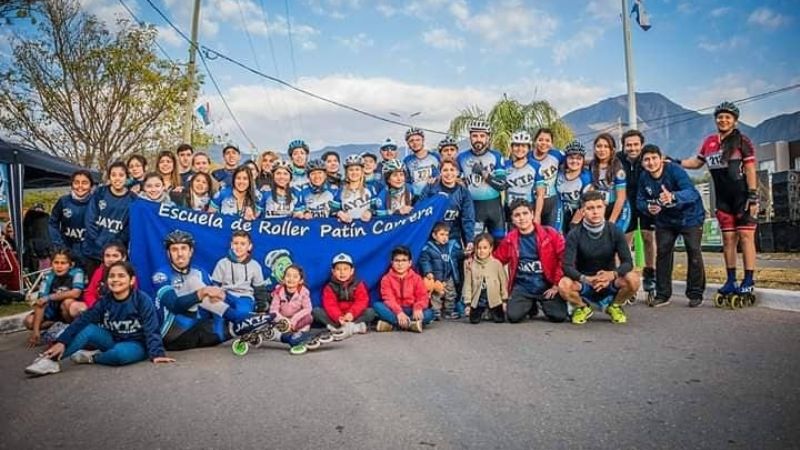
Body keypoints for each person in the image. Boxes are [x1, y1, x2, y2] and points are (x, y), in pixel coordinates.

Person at [24, 261, 174, 377]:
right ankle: (51, 361)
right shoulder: (105, 301)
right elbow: (83, 321)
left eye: (121, 276)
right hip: (112, 339)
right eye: (112, 276)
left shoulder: (142, 300)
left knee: (119, 355)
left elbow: (152, 329)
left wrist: (157, 354)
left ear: (132, 280)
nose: (116, 280)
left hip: (136, 344)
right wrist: (62, 341)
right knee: (88, 329)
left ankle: (93, 357)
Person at [679, 102, 759, 307]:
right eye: (720, 117)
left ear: (735, 121)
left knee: (746, 237)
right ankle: (731, 280)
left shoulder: (743, 141)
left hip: (743, 198)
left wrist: (753, 196)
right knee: (729, 240)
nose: (723, 120)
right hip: (722, 200)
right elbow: (696, 163)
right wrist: (674, 161)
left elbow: (750, 170)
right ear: (716, 119)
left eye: (728, 117)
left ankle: (748, 280)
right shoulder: (709, 142)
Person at [152, 230, 285, 351]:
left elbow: (218, 294)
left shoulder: (199, 272)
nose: (180, 254)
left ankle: (287, 337)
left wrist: (249, 313)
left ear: (191, 251)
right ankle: (238, 318)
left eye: (183, 248)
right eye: (174, 250)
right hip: (174, 335)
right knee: (194, 282)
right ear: (168, 253)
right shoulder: (161, 275)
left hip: (197, 327)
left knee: (244, 325)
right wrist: (201, 292)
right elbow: (173, 305)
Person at [637, 144, 705, 307]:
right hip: (665, 220)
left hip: (690, 216)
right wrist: (648, 207)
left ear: (661, 158)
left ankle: (695, 293)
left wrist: (673, 197)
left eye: (654, 158)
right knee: (663, 252)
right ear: (642, 163)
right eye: (647, 159)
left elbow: (692, 192)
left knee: (693, 250)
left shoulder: (674, 170)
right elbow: (639, 200)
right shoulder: (644, 177)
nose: (651, 162)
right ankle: (663, 294)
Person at [558, 191, 641, 325]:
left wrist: (612, 275)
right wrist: (587, 279)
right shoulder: (574, 234)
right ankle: (582, 307)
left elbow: (628, 263)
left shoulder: (615, 230)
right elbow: (567, 266)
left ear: (604, 208)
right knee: (563, 284)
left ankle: (615, 306)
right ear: (583, 211)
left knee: (633, 279)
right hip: (584, 282)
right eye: (590, 208)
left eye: (599, 207)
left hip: (609, 281)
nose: (595, 212)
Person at [493, 199, 568, 323]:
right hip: (523, 287)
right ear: (512, 219)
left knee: (558, 316)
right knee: (513, 317)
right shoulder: (510, 239)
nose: (522, 218)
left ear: (532, 214)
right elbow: (496, 260)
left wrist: (556, 284)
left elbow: (564, 258)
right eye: (517, 215)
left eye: (525, 213)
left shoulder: (550, 234)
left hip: (546, 285)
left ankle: (543, 303)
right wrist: (475, 259)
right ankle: (530, 305)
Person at [618, 130, 656, 300]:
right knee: (625, 243)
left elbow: (663, 162)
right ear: (623, 146)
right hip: (627, 205)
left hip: (647, 203)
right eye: (628, 145)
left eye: (635, 145)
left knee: (649, 239)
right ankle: (628, 278)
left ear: (641, 145)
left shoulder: (648, 158)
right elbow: (598, 161)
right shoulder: (617, 159)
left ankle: (650, 276)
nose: (632, 148)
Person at [24, 248, 86, 347]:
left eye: (63, 263)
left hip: (69, 310)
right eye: (56, 262)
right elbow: (41, 302)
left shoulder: (77, 272)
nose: (59, 266)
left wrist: (49, 297)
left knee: (67, 302)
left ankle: (72, 331)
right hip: (53, 311)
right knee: (28, 321)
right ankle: (57, 324)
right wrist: (36, 332)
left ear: (71, 265)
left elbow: (76, 293)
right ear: (51, 264)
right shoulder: (48, 276)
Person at [83, 161, 135, 276]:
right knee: (94, 286)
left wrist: (115, 246)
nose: (117, 178)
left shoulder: (133, 199)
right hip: (93, 251)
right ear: (109, 177)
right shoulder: (100, 192)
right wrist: (98, 243)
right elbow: (90, 219)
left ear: (127, 177)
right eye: (113, 175)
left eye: (121, 175)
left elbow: (129, 228)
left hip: (115, 255)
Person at [456, 119, 506, 239]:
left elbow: (502, 184)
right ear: (470, 137)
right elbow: (456, 183)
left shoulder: (496, 156)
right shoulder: (461, 157)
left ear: (488, 138)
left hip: (495, 208)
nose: (478, 139)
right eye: (475, 136)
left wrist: (484, 173)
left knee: (499, 243)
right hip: (473, 208)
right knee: (475, 245)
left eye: (482, 136)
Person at [313, 253, 374, 339]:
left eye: (345, 269)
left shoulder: (358, 284)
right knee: (316, 312)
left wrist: (351, 314)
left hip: (353, 316)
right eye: (338, 269)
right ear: (333, 271)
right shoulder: (329, 287)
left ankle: (341, 328)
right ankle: (352, 328)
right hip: (337, 318)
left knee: (370, 312)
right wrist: (339, 317)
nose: (342, 272)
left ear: (352, 271)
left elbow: (362, 301)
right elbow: (330, 305)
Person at [374, 245, 433, 332]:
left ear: (410, 263)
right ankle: (412, 325)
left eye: (404, 260)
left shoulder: (416, 278)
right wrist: (399, 312)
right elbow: (388, 299)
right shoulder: (386, 279)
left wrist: (418, 308)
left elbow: (423, 297)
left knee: (430, 313)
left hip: (411, 309)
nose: (400, 264)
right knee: (377, 306)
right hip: (394, 311)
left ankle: (392, 325)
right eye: (397, 260)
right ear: (392, 262)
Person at [420, 160, 476, 251]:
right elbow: (420, 209)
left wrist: (469, 240)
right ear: (440, 172)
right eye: (445, 170)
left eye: (452, 170)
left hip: (453, 237)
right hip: (432, 237)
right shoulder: (430, 188)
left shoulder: (463, 192)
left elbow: (468, 218)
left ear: (457, 172)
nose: (449, 173)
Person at [211, 231, 270, 314]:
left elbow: (259, 288)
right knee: (218, 311)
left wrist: (262, 304)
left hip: (245, 296)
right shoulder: (222, 263)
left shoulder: (255, 265)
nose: (238, 247)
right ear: (231, 245)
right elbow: (215, 284)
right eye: (236, 243)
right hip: (225, 294)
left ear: (249, 247)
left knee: (242, 312)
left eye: (242, 244)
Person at [418, 222, 463, 320]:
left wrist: (466, 254)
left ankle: (449, 311)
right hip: (436, 278)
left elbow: (459, 255)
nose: (445, 237)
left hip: (448, 276)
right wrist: (428, 272)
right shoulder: (429, 248)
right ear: (434, 235)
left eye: (447, 235)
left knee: (451, 294)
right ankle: (436, 312)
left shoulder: (451, 247)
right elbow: (424, 260)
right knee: (436, 296)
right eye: (442, 234)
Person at [588, 133, 631, 232]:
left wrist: (612, 221)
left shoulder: (618, 169)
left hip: (619, 208)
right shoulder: (592, 165)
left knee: (613, 237)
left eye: (606, 146)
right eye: (599, 146)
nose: (602, 150)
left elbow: (621, 198)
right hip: (601, 208)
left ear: (612, 150)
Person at [48, 170, 94, 263]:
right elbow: (52, 223)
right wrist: (59, 245)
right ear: (72, 184)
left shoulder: (97, 202)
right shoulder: (63, 201)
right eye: (76, 182)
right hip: (67, 251)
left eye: (84, 183)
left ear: (91, 186)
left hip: (90, 254)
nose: (80, 186)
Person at [462, 233, 507, 324]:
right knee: (474, 320)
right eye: (478, 248)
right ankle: (482, 310)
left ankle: (490, 311)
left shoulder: (497, 264)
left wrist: (504, 300)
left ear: (491, 249)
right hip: (478, 299)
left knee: (499, 320)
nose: (481, 251)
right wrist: (468, 303)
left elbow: (503, 282)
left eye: (485, 248)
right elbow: (467, 285)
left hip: (495, 299)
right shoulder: (472, 265)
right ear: (475, 249)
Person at [555, 140, 592, 234]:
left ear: (583, 160)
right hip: (560, 212)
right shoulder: (559, 174)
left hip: (578, 214)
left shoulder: (586, 177)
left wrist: (574, 222)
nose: (574, 161)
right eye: (571, 158)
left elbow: (586, 203)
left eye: (578, 158)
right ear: (566, 159)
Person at [531, 128, 564, 227]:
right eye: (540, 140)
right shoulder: (527, 157)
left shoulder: (557, 155)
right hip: (533, 203)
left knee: (553, 235)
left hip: (552, 203)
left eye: (547, 140)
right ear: (535, 141)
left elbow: (574, 160)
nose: (544, 143)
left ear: (552, 143)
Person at [331, 155, 380, 223]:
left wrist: (370, 212)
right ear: (346, 172)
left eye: (357, 169)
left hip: (368, 228)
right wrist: (339, 214)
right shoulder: (340, 190)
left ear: (362, 171)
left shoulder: (371, 189)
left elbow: (377, 208)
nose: (354, 173)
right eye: (351, 170)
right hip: (348, 229)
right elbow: (332, 211)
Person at [83, 242, 132, 309]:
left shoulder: (129, 273)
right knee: (75, 307)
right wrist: (96, 306)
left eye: (115, 256)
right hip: (99, 307)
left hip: (121, 309)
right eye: (107, 256)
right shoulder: (99, 271)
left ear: (123, 258)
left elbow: (132, 297)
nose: (111, 259)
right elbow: (89, 293)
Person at [503, 130, 540, 213]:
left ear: (529, 148)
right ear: (511, 147)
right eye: (516, 145)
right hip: (509, 209)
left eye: (523, 146)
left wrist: (537, 215)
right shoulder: (504, 165)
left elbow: (540, 195)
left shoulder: (536, 166)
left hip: (528, 208)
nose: (520, 149)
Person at [269, 265, 313, 332]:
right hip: (282, 320)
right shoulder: (278, 292)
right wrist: (283, 320)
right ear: (283, 279)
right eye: (288, 276)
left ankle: (294, 330)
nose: (291, 279)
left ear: (301, 281)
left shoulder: (304, 292)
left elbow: (308, 309)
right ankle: (286, 330)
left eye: (295, 277)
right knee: (270, 318)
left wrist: (294, 320)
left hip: (296, 320)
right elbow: (273, 310)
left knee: (309, 318)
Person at [403, 127, 441, 196]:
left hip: (434, 196)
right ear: (408, 143)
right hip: (416, 199)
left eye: (418, 140)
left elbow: (443, 174)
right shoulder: (406, 161)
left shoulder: (435, 156)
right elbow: (406, 182)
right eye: (411, 141)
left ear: (423, 140)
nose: (415, 143)